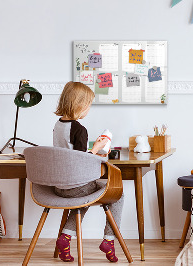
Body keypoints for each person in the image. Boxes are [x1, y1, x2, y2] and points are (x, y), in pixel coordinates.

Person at [53, 81, 123, 263]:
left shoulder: (58, 125)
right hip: (76, 186)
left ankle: (65, 238)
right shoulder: (79, 129)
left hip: (59, 186)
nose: (89, 109)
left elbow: (70, 154)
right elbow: (80, 161)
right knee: (118, 194)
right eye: (89, 105)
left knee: (83, 198)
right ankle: (109, 240)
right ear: (79, 105)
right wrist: (97, 149)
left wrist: (92, 149)